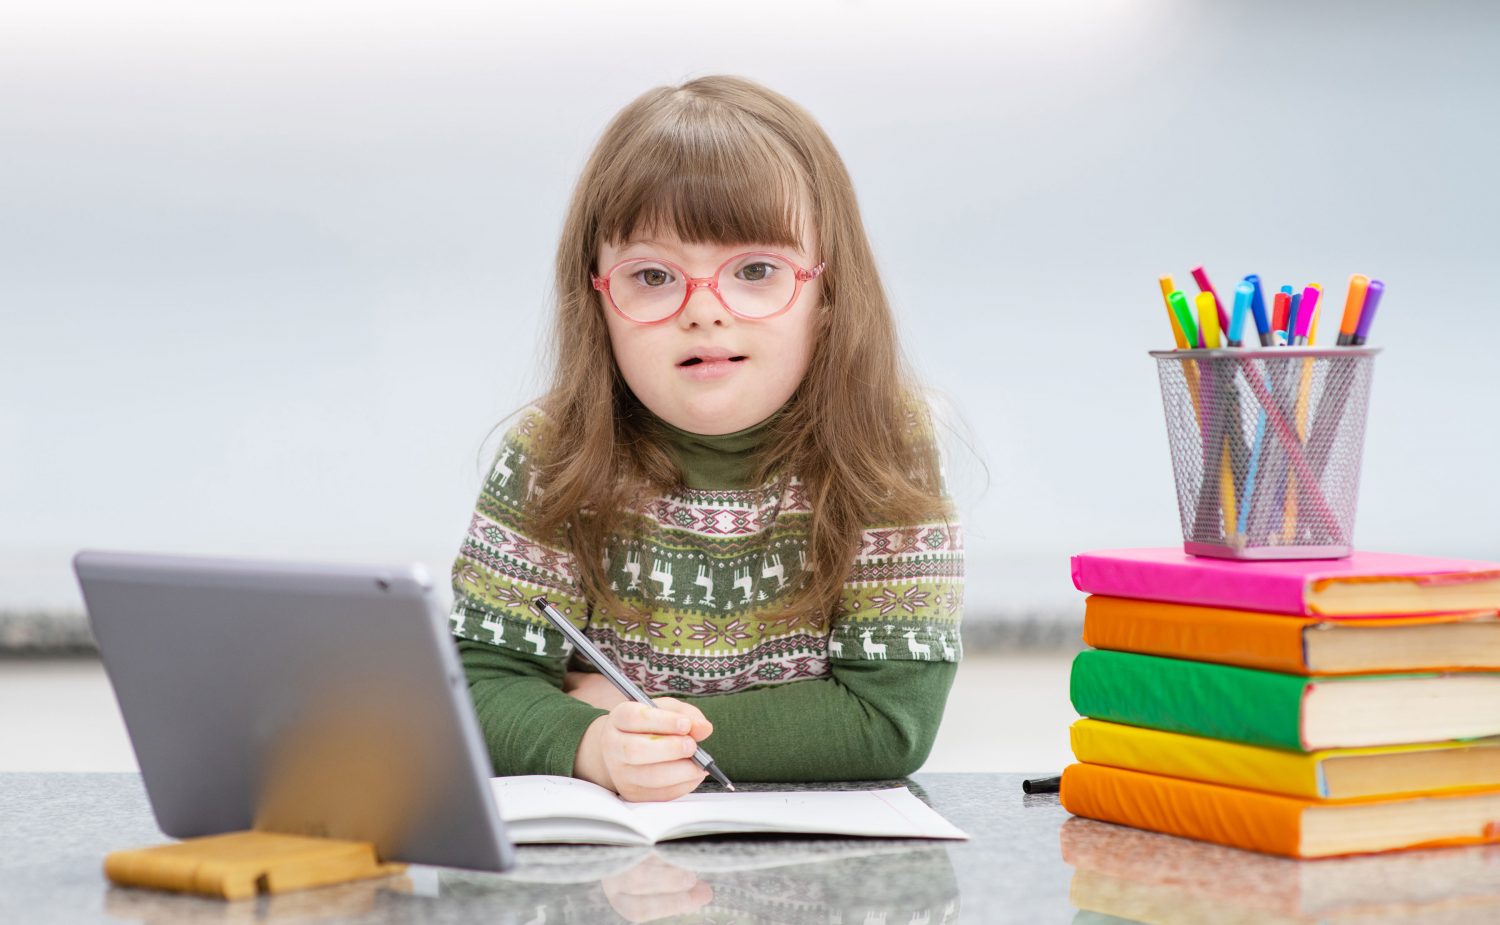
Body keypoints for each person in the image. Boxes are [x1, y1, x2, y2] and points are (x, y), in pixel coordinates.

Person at [449, 74, 964, 802]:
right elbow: (477, 683)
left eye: (756, 270)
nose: (704, 311)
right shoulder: (546, 458)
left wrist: (636, 725)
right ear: (596, 297)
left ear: (829, 292)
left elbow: (887, 718)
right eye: (653, 275)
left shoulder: (889, 448)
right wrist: (589, 743)